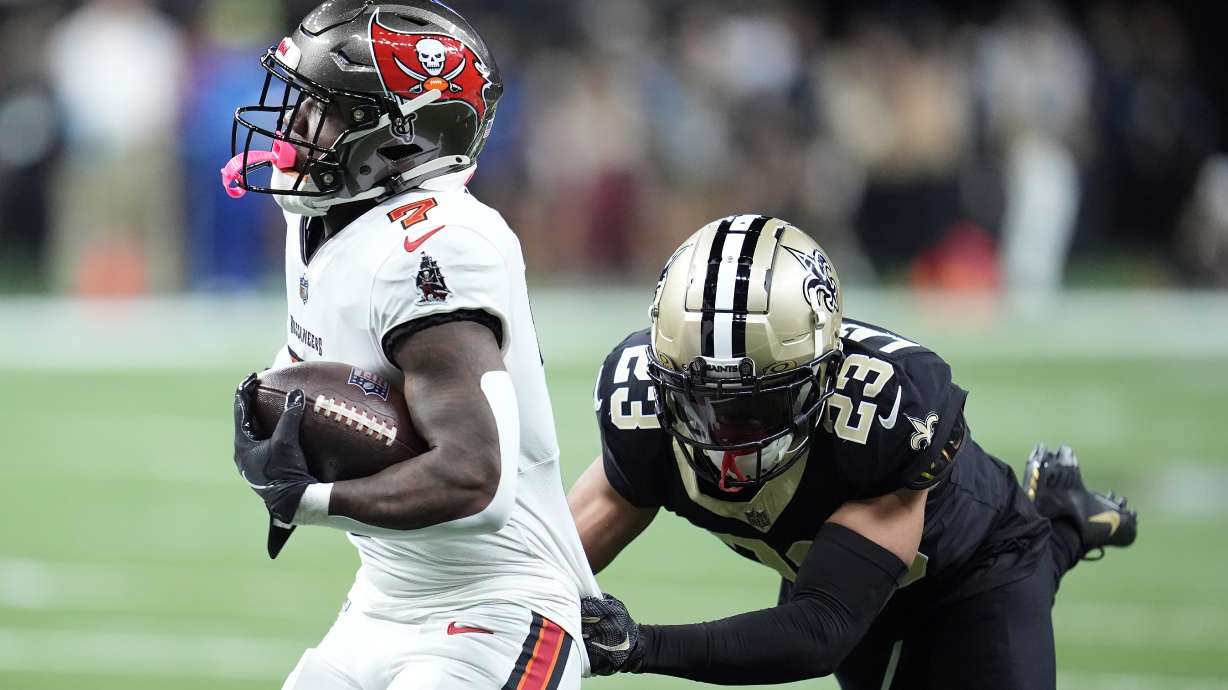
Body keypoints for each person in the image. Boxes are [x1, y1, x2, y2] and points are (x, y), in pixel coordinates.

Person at [571, 214, 1137, 689]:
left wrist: (642, 644)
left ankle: (1056, 527)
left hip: (972, 569)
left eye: (757, 408)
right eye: (703, 404)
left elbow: (820, 628)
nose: (728, 437)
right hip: (835, 568)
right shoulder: (640, 410)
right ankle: (1064, 516)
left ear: (823, 376)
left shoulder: (888, 411)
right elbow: (549, 562)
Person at [223, 2, 596, 688]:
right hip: (381, 601)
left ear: (399, 141)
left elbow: (475, 480)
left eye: (320, 108)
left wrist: (311, 500)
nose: (292, 126)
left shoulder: (437, 246)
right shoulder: (327, 213)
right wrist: (274, 409)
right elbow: (323, 354)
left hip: (496, 611)